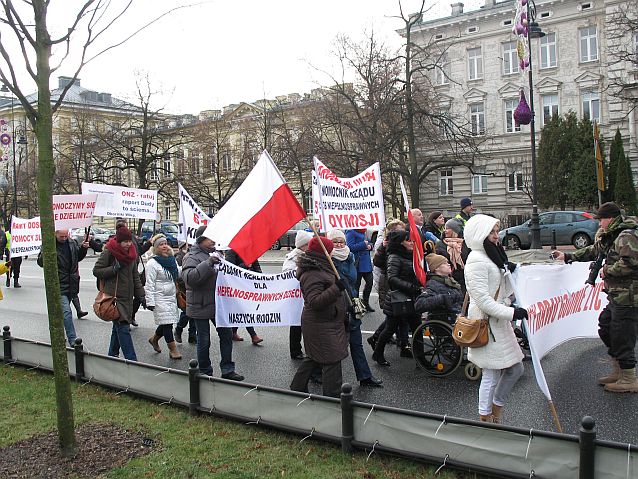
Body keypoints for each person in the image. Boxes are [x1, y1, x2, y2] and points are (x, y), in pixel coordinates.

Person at [552, 202, 638, 393]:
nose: (600, 224)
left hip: (629, 296)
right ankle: (619, 369)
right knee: (606, 326)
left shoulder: (627, 235)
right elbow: (595, 250)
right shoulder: (614, 235)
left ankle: (629, 377)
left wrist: (607, 270)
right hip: (618, 295)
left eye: (601, 220)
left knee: (622, 335)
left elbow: (630, 264)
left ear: (610, 218)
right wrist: (567, 256)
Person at [464, 214, 525, 423]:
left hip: (498, 322)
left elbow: (499, 291)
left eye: (497, 231)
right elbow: (482, 300)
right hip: (487, 323)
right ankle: (486, 416)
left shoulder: (493, 256)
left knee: (516, 368)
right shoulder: (476, 260)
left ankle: (496, 410)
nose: (496, 236)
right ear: (479, 234)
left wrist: (512, 274)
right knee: (491, 375)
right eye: (491, 231)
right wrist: (512, 312)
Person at [181, 225, 244, 381]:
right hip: (200, 305)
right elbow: (190, 279)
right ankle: (204, 370)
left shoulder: (217, 254)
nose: (213, 241)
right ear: (201, 239)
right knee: (204, 339)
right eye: (210, 239)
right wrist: (208, 263)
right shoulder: (191, 257)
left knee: (226, 335)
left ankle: (228, 369)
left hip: (218, 304)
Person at [290, 236, 349, 397]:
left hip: (327, 322)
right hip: (319, 324)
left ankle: (297, 388)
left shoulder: (320, 266)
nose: (331, 254)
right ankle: (333, 398)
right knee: (332, 359)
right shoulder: (312, 273)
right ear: (323, 252)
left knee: (314, 357)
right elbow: (314, 301)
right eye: (329, 251)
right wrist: (336, 288)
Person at [327, 229, 383, 388]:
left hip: (352, 304)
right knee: (335, 346)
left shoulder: (350, 257)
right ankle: (319, 375)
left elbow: (352, 280)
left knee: (357, 343)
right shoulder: (327, 259)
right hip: (336, 306)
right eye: (335, 241)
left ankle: (365, 376)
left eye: (341, 241)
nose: (339, 244)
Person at [93, 226, 145, 361]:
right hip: (114, 298)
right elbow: (97, 271)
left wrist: (141, 295)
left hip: (127, 297)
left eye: (130, 241)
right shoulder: (109, 252)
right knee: (123, 327)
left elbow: (135, 277)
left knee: (118, 326)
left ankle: (112, 355)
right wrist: (114, 268)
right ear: (119, 241)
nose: (128, 244)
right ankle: (132, 360)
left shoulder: (132, 254)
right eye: (125, 241)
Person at [372, 229, 423, 366]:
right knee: (390, 329)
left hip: (412, 298)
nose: (412, 242)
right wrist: (411, 287)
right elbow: (392, 278)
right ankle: (378, 354)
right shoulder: (394, 256)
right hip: (398, 299)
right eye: (408, 240)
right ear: (400, 243)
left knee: (417, 328)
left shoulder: (412, 255)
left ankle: (421, 359)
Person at [36, 229, 90, 346]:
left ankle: (56, 334)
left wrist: (84, 248)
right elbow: (40, 263)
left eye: (66, 236)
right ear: (55, 234)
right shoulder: (49, 244)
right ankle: (72, 339)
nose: (64, 238)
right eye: (61, 236)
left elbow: (78, 258)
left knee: (59, 313)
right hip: (58, 284)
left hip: (71, 283)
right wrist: (45, 251)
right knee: (66, 312)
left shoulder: (72, 243)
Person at [368, 219, 406, 350]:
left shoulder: (403, 243)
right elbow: (378, 262)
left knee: (399, 315)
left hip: (398, 282)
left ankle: (402, 341)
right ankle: (377, 339)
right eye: (401, 230)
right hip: (389, 283)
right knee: (394, 316)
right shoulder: (385, 243)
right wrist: (384, 248)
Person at [145, 236, 182, 359]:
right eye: (161, 244)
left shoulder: (171, 259)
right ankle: (173, 350)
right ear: (155, 247)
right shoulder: (152, 263)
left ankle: (154, 339)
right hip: (159, 297)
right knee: (167, 324)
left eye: (166, 243)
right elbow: (149, 283)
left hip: (171, 296)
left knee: (167, 321)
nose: (165, 246)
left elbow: (178, 273)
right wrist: (150, 301)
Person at [282, 230, 313, 359]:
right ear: (302, 245)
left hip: (306, 294)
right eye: (308, 243)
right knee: (296, 324)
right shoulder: (292, 257)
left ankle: (308, 350)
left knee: (307, 323)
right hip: (296, 296)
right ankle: (295, 350)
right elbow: (287, 274)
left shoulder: (309, 255)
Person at [224, 249, 264, 345]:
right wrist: (245, 265)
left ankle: (233, 332)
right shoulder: (231, 251)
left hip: (249, 285)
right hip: (237, 287)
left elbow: (257, 267)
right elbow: (230, 269)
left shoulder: (251, 251)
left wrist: (261, 279)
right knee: (244, 311)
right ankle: (253, 335)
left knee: (241, 311)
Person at [415, 254, 464, 321]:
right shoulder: (433, 284)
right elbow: (419, 304)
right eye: (444, 263)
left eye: (447, 262)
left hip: (457, 317)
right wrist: (442, 298)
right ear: (436, 268)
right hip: (443, 320)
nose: (448, 264)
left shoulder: (452, 282)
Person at [435, 218, 468, 295]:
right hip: (448, 280)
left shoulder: (465, 243)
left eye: (448, 228)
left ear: (455, 230)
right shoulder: (441, 244)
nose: (445, 231)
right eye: (445, 228)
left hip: (464, 279)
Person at [346, 228, 375, 312]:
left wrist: (370, 246)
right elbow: (350, 247)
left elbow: (370, 242)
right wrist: (363, 244)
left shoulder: (365, 230)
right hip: (357, 263)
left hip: (366, 263)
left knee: (370, 283)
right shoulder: (350, 231)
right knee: (356, 286)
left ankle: (366, 303)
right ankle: (357, 306)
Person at [174, 241, 196, 344]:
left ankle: (192, 335)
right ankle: (179, 329)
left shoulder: (194, 255)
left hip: (194, 286)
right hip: (184, 286)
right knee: (187, 311)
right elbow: (179, 273)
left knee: (195, 312)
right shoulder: (179, 257)